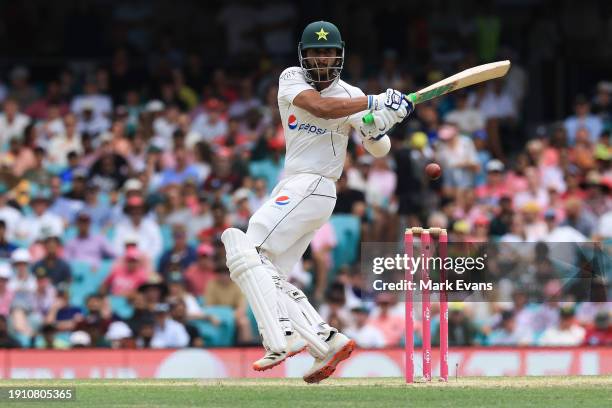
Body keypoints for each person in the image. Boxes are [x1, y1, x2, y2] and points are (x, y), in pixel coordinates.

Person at [221, 20, 412, 383]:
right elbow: (321, 108)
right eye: (315, 53)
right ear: (303, 56)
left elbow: (376, 145)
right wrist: (374, 102)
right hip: (297, 186)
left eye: (328, 53)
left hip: (315, 185)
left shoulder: (352, 93)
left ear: (339, 56)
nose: (322, 60)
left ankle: (281, 336)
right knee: (264, 270)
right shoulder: (292, 78)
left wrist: (384, 121)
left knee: (246, 246)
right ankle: (326, 340)